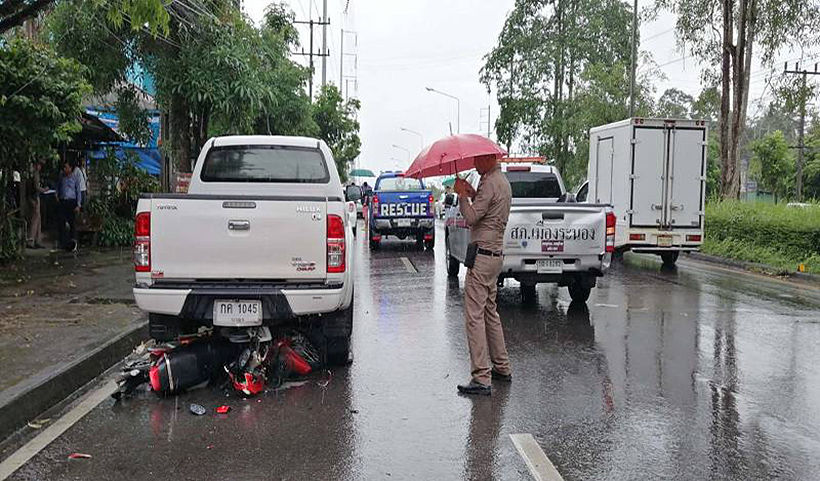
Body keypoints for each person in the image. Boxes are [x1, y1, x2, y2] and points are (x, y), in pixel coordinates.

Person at [453, 155, 513, 396]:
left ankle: (481, 377)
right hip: (495, 256)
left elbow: (472, 217)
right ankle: (502, 366)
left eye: (478, 161)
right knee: (490, 312)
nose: (475, 165)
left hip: (482, 257)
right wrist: (471, 192)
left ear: (489, 160)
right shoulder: (503, 182)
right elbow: (486, 210)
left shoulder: (489, 182)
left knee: (474, 316)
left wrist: (462, 196)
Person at [57, 160, 82, 251]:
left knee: (72, 223)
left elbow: (78, 192)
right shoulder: (61, 177)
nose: (65, 169)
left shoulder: (75, 178)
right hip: (63, 201)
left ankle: (73, 243)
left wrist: (78, 205)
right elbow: (58, 187)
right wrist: (57, 195)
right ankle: (63, 243)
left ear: (71, 168)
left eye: (66, 167)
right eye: (64, 167)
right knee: (62, 222)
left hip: (72, 202)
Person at [26, 160, 46, 249]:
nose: (40, 167)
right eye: (40, 165)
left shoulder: (31, 173)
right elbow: (36, 187)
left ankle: (37, 240)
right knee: (35, 219)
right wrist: (44, 190)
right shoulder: (35, 174)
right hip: (34, 197)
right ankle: (31, 240)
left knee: (38, 218)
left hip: (32, 196)